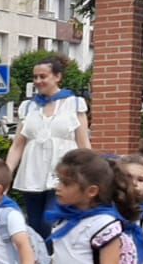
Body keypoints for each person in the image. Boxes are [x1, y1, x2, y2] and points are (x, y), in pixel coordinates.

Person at [5, 56, 91, 240]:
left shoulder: (74, 104)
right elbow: (18, 145)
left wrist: (89, 173)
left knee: (50, 221)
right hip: (32, 173)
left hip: (63, 173)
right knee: (34, 225)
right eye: (35, 77)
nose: (38, 81)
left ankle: (54, 263)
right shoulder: (28, 107)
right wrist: (6, 173)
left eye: (43, 76)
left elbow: (83, 143)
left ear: (57, 77)